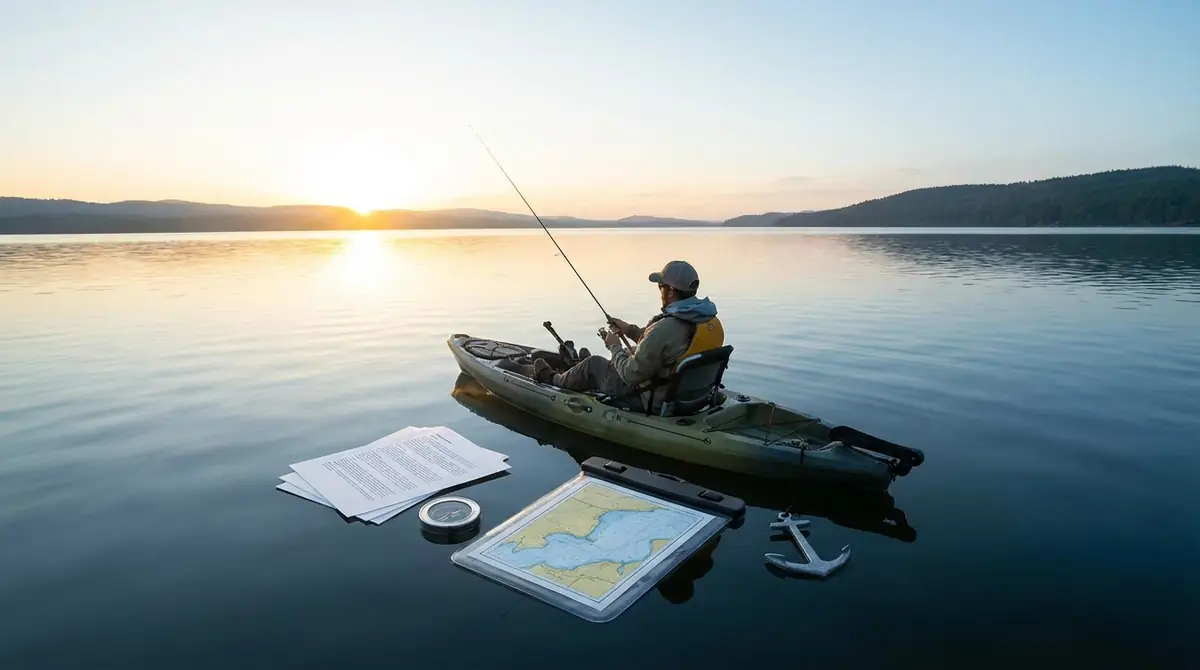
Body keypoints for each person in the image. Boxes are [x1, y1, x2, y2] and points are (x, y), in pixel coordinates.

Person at [524, 260, 722, 412]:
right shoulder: (706, 320)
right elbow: (663, 347)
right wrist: (630, 330)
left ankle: (553, 379)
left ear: (670, 292)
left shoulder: (665, 327)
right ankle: (582, 370)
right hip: (689, 394)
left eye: (660, 286)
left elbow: (630, 374)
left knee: (594, 363)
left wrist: (614, 345)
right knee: (627, 354)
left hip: (651, 397)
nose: (659, 290)